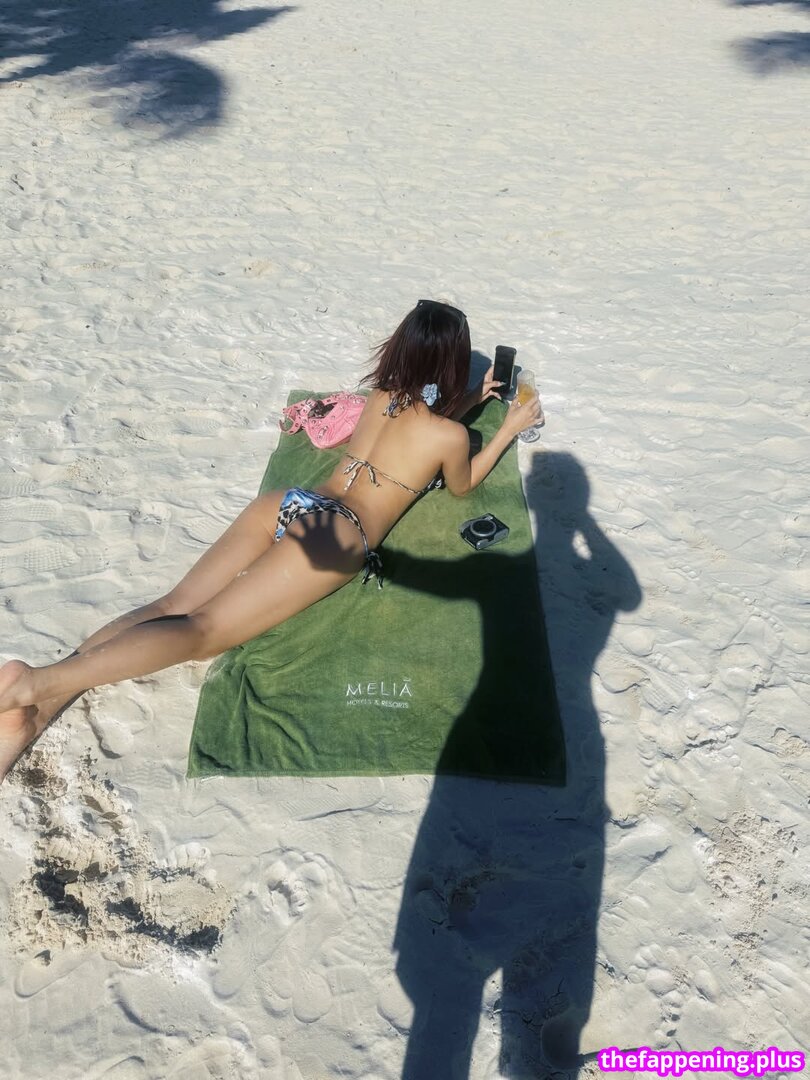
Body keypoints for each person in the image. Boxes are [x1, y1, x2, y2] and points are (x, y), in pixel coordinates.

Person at [0, 299, 543, 783]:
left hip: (292, 503)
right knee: (203, 631)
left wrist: (470, 397)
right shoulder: (449, 435)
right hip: (338, 534)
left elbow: (415, 424)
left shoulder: (382, 398)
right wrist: (506, 428)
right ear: (450, 363)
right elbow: (461, 483)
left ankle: (40, 701)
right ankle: (33, 684)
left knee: (172, 605)